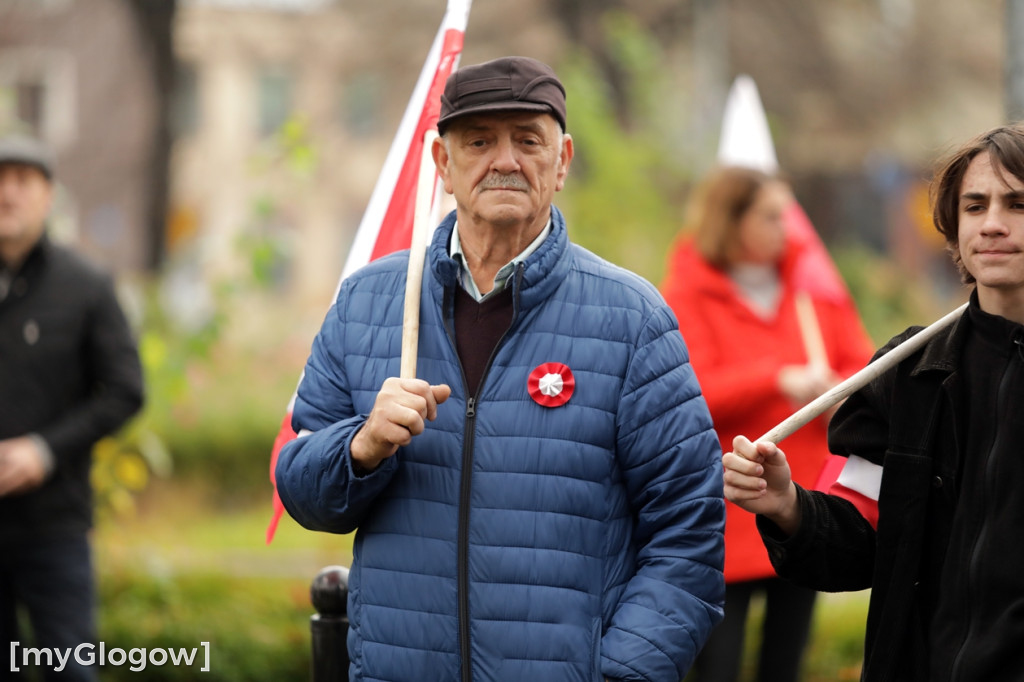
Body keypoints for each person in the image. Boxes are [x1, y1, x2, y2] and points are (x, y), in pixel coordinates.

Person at [275, 56, 725, 681]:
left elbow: (688, 531)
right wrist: (361, 447)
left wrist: (623, 674)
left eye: (528, 140)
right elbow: (300, 489)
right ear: (442, 164)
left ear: (562, 161)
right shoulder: (367, 303)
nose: (505, 160)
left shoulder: (632, 319)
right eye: (480, 141)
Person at [723, 121, 1024, 681]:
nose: (993, 225)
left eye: (1018, 204)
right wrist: (788, 505)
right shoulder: (910, 372)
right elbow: (858, 545)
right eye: (975, 205)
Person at [660, 166, 874, 682]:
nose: (790, 228)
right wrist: (776, 379)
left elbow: (865, 368)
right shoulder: (687, 291)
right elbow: (684, 392)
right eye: (773, 216)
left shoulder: (814, 286)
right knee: (716, 663)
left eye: (790, 214)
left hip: (804, 507)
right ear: (732, 221)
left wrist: (837, 391)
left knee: (786, 662)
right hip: (722, 513)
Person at [0, 135, 144, 681]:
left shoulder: (85, 286)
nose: (7, 193)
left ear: (48, 195)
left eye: (22, 180)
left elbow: (126, 390)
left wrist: (44, 450)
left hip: (53, 527)